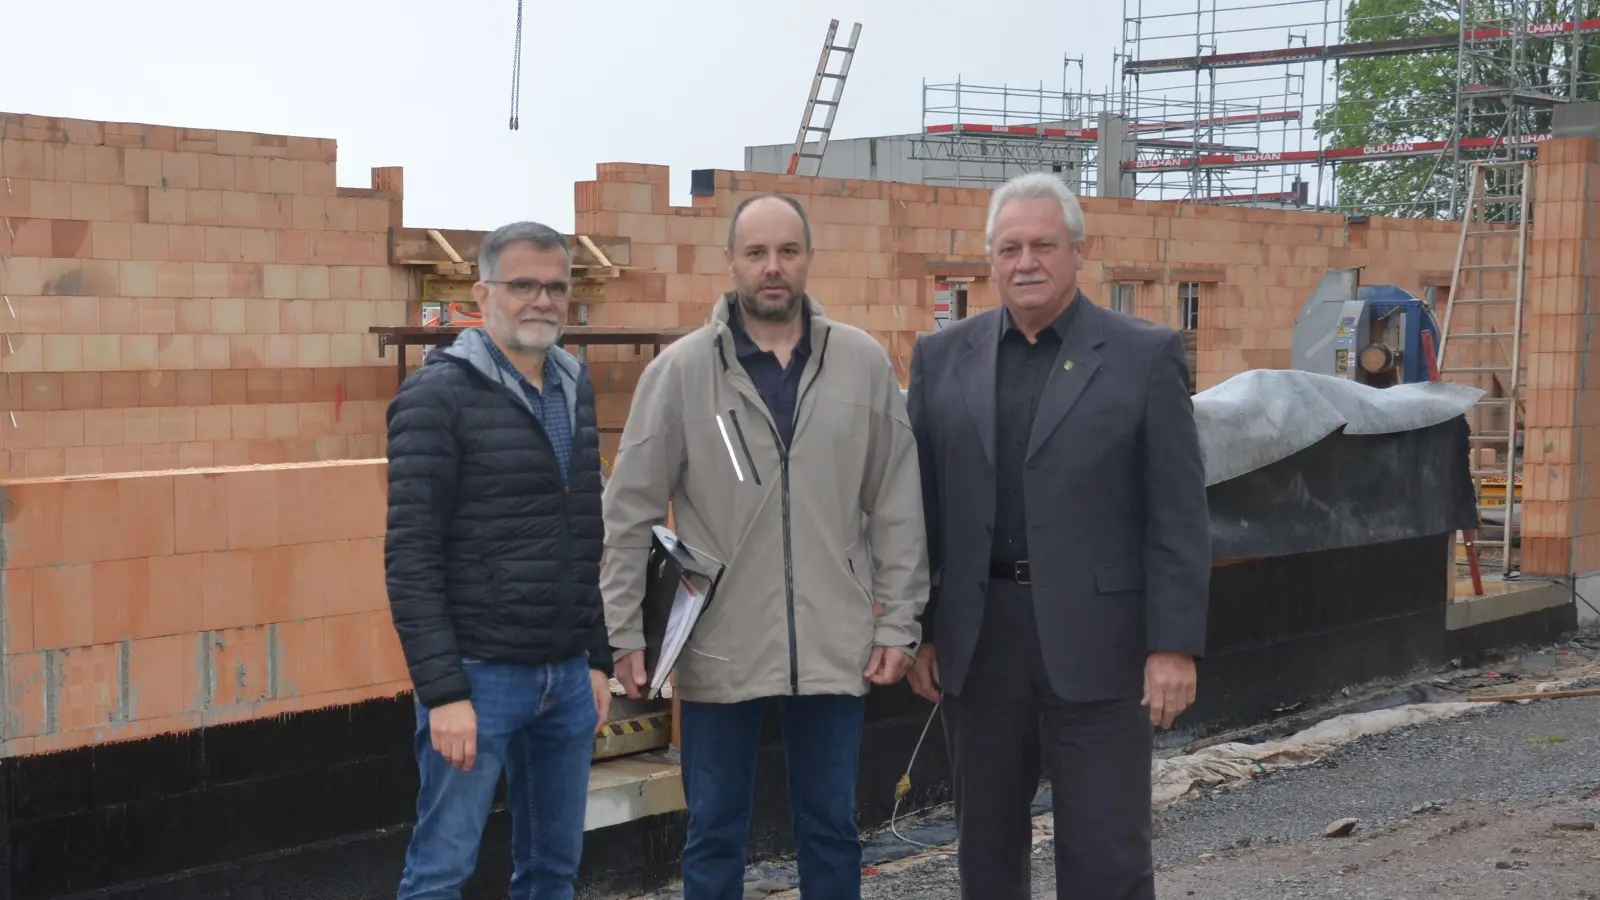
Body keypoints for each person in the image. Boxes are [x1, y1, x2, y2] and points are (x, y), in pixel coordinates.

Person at [600, 193, 929, 900]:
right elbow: (627, 511)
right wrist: (624, 631)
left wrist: (900, 622)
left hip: (836, 639)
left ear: (808, 258)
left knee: (832, 826)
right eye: (757, 253)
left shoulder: (862, 364)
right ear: (732, 264)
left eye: (787, 251)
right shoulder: (682, 373)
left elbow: (898, 503)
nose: (772, 268)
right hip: (719, 643)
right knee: (715, 829)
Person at [904, 172, 1211, 900]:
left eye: (1043, 244)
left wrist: (1173, 645)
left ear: (1079, 252)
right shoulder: (943, 359)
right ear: (990, 261)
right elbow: (919, 509)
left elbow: (1178, 512)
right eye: (1009, 248)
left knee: (1107, 858)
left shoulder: (1145, 356)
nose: (1026, 262)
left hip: (1101, 647)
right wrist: (917, 626)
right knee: (985, 858)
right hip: (979, 647)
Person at [384, 221, 613, 900]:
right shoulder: (437, 395)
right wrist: (444, 693)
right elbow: (410, 556)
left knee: (553, 872)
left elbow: (582, 533)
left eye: (555, 287)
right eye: (523, 285)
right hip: (479, 681)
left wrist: (596, 658)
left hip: (566, 679)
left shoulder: (574, 385)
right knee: (440, 872)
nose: (541, 300)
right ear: (483, 294)